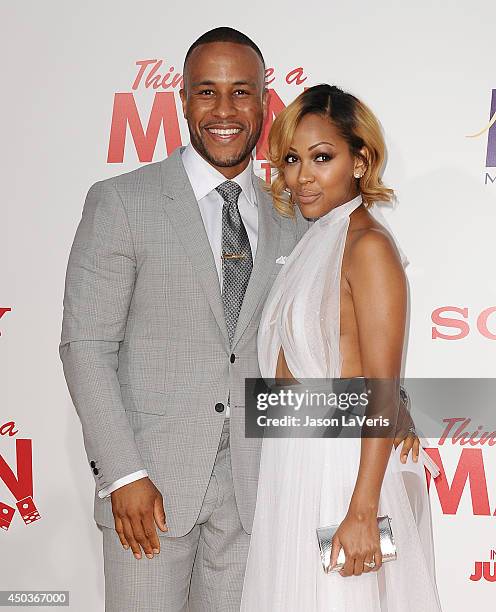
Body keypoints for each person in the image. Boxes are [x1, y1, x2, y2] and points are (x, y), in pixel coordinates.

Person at [59, 27, 420, 610]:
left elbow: (345, 331)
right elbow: (85, 346)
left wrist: (388, 400)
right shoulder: (122, 201)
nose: (224, 110)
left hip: (263, 495)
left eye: (241, 92)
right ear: (182, 100)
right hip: (151, 493)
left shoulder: (300, 217)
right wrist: (122, 474)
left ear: (263, 102)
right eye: (207, 92)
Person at [240, 84, 443, 611]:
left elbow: (380, 389)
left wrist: (362, 510)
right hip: (293, 463)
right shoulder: (316, 240)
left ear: (360, 160)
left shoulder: (368, 246)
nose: (302, 176)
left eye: (322, 157)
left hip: (342, 470)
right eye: (290, 160)